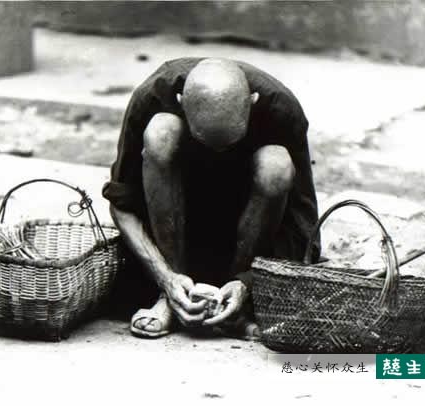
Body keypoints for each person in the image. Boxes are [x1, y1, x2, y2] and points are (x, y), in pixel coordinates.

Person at [102, 57, 321, 339]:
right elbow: (121, 204)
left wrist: (247, 283)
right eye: (205, 141)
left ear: (253, 102)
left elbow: (304, 230)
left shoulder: (281, 109)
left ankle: (234, 305)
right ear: (180, 102)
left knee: (276, 164)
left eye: (230, 143)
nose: (218, 155)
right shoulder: (153, 95)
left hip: (244, 237)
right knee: (161, 131)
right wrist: (166, 279)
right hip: (174, 232)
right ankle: (172, 297)